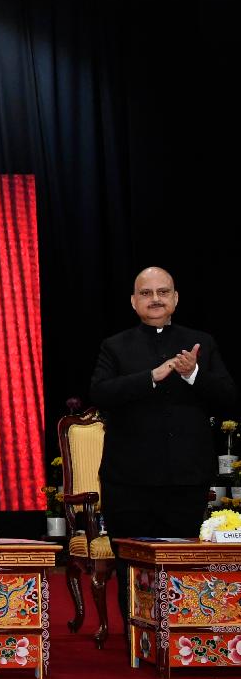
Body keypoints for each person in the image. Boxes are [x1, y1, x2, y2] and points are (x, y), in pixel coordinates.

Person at [90, 266, 236, 621]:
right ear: (133, 301)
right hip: (128, 481)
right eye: (146, 293)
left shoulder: (202, 342)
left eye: (163, 292)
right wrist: (151, 377)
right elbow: (100, 393)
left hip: (186, 479)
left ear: (175, 298)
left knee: (181, 567)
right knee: (131, 566)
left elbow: (228, 397)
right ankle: (136, 638)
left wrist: (193, 373)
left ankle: (177, 636)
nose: (155, 299)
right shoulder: (115, 345)